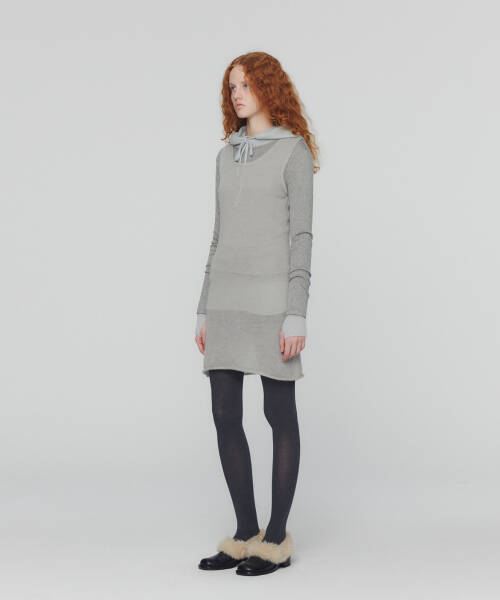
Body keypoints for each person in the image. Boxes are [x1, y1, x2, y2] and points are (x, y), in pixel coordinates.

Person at [194, 51, 319, 576]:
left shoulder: (293, 152)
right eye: (232, 87)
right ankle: (245, 531)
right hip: (225, 300)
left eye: (246, 84)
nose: (237, 94)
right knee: (225, 415)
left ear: (269, 87)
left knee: (278, 414)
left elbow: (301, 237)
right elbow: (218, 235)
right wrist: (203, 307)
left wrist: (296, 312)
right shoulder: (225, 156)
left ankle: (275, 538)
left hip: (272, 305)